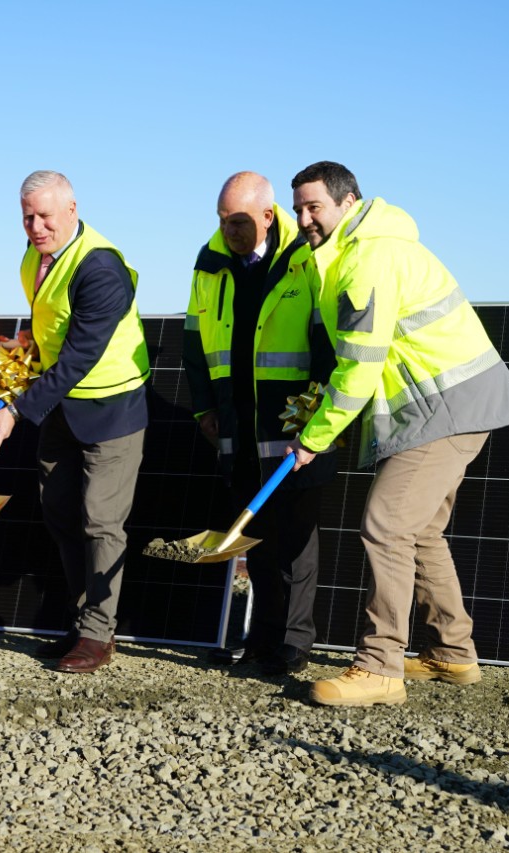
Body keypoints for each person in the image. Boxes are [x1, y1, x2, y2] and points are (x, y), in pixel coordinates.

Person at [286, 161, 509, 706]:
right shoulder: (354, 250)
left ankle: (380, 667)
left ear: (348, 203)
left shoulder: (369, 258)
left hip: (443, 407)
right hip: (449, 405)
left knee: (385, 526)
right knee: (419, 532)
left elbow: (361, 365)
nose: (304, 218)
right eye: (298, 207)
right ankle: (452, 652)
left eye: (314, 207)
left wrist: (315, 437)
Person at [0, 170, 151, 674]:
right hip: (62, 409)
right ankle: (82, 623)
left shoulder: (100, 268)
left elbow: (80, 356)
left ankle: (99, 634)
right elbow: (52, 326)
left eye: (45, 216)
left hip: (111, 408)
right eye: (27, 217)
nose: (35, 227)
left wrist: (15, 410)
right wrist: (27, 347)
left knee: (101, 522)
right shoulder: (34, 258)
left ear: (72, 209)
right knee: (58, 513)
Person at [183, 172, 336, 677]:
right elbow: (194, 344)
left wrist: (313, 419)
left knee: (294, 538)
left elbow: (327, 346)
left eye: (240, 221)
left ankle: (293, 644)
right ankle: (260, 641)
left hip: (296, 425)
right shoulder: (208, 268)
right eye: (223, 220)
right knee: (258, 542)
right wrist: (205, 408)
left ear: (270, 217)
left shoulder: (307, 260)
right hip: (237, 426)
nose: (230, 229)